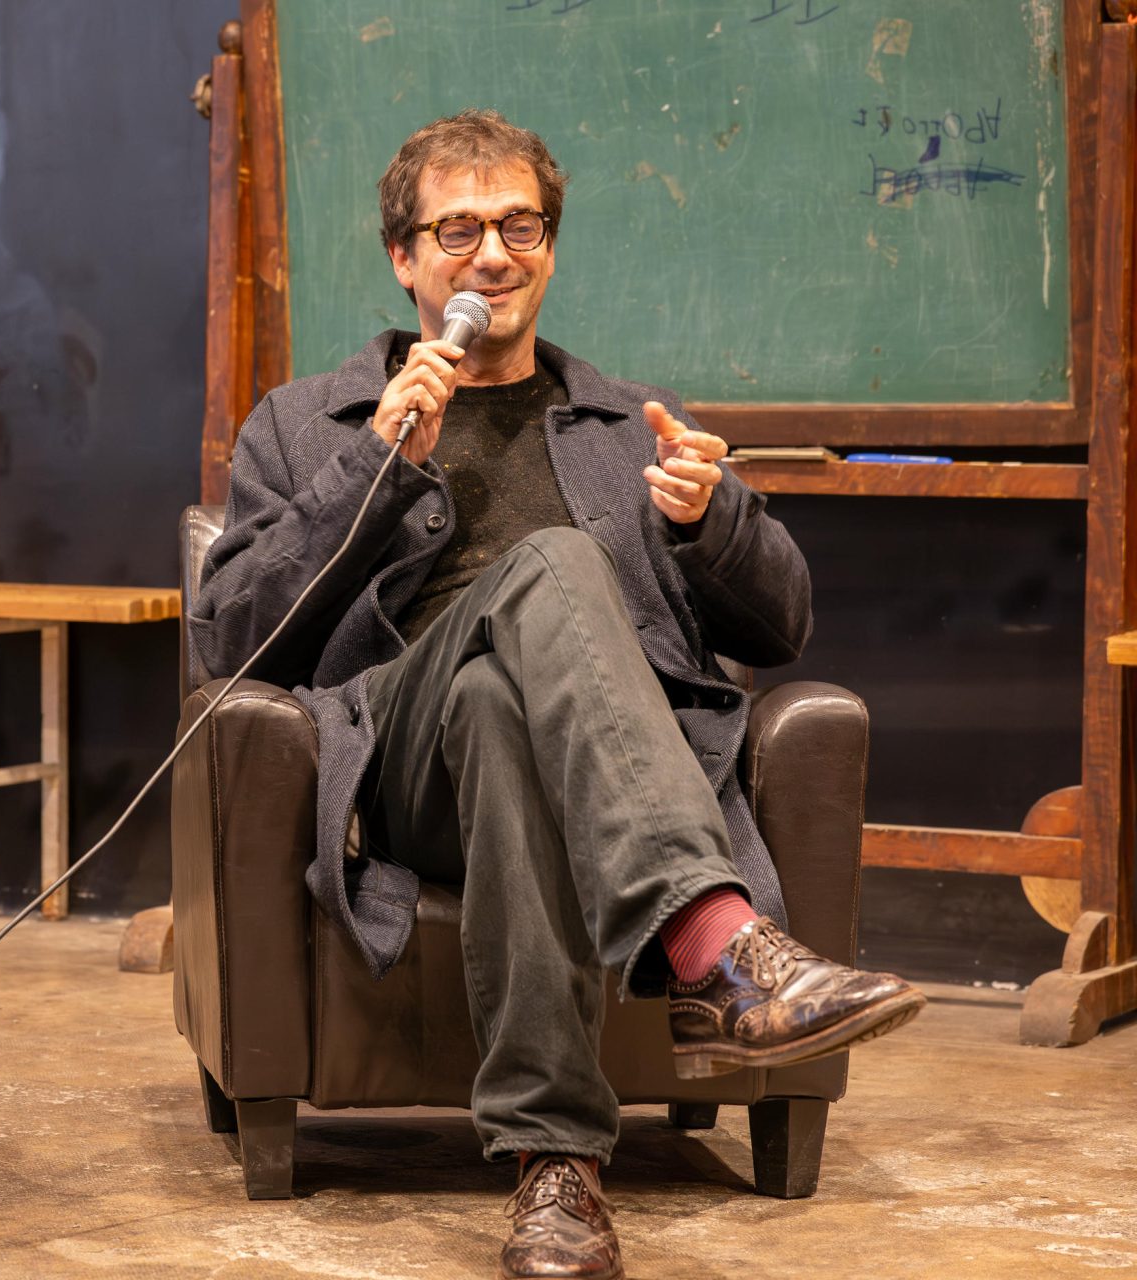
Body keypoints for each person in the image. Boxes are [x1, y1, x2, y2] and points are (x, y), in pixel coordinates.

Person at [188, 109, 924, 1280]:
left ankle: (558, 1172)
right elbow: (232, 634)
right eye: (459, 231)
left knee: (500, 707)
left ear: (550, 245)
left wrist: (711, 523)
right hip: (400, 773)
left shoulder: (632, 425)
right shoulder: (305, 422)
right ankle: (717, 944)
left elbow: (781, 624)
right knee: (556, 567)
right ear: (405, 259)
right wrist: (374, 466)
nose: (493, 254)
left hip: (575, 776)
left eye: (520, 226)